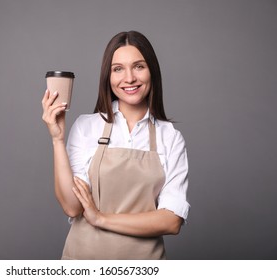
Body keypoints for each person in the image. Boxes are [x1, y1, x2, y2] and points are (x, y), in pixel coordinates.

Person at [41, 31, 190, 260]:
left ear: (152, 71)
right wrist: (57, 139)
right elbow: (72, 207)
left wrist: (100, 218)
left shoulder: (169, 137)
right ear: (108, 77)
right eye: (118, 69)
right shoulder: (86, 127)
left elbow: (171, 221)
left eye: (138, 66)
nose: (129, 78)